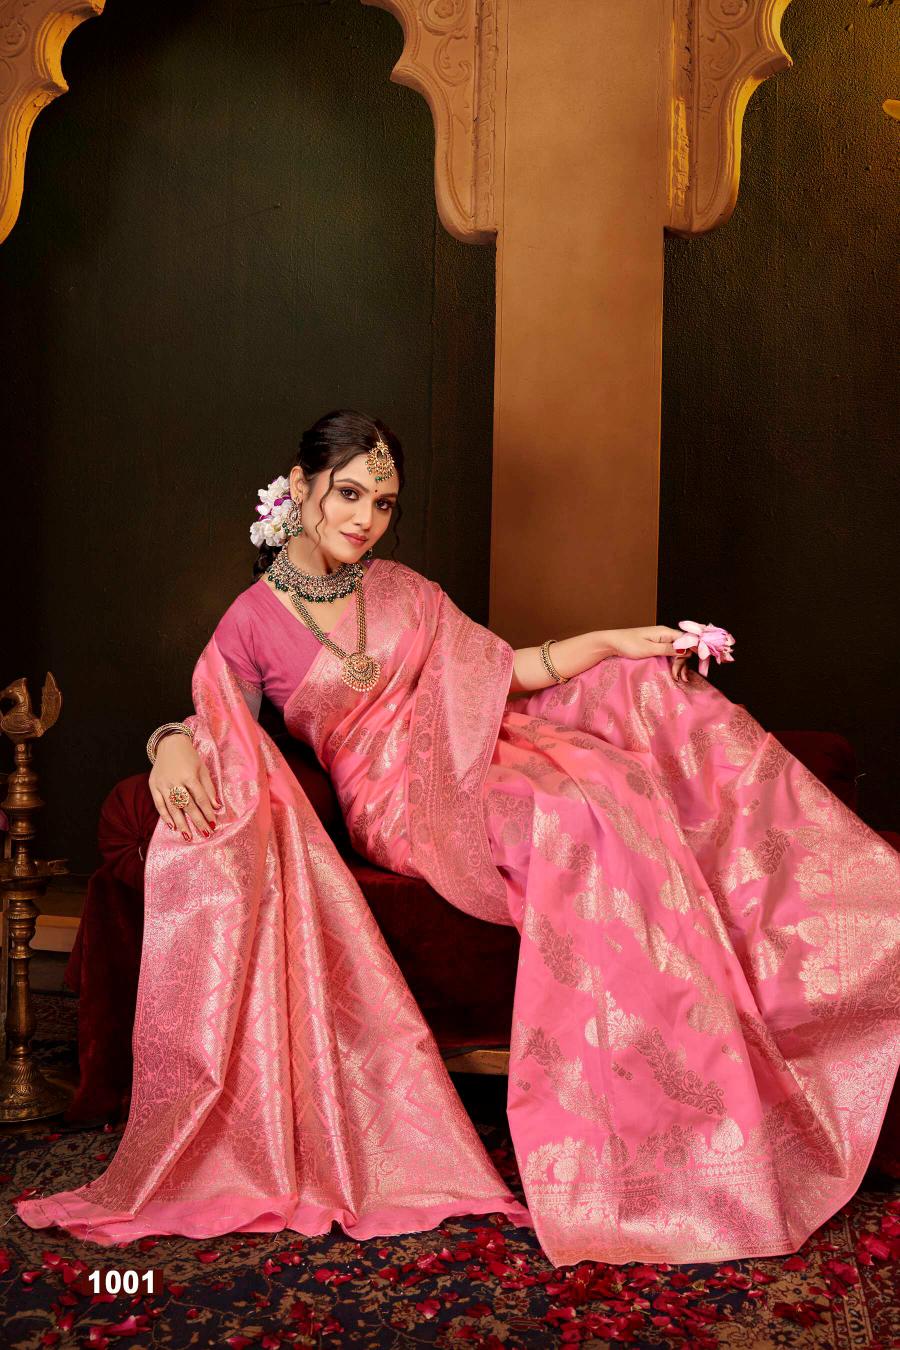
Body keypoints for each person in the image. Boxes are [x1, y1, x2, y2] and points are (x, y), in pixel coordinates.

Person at [16, 410, 900, 1268]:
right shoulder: (249, 622)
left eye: (383, 503)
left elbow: (506, 671)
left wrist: (614, 641)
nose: (365, 520)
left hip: (481, 754)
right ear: (299, 486)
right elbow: (222, 725)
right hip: (398, 805)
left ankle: (694, 1115)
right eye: (348, 494)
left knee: (612, 782)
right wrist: (167, 744)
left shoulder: (405, 592)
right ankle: (629, 1147)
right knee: (568, 816)